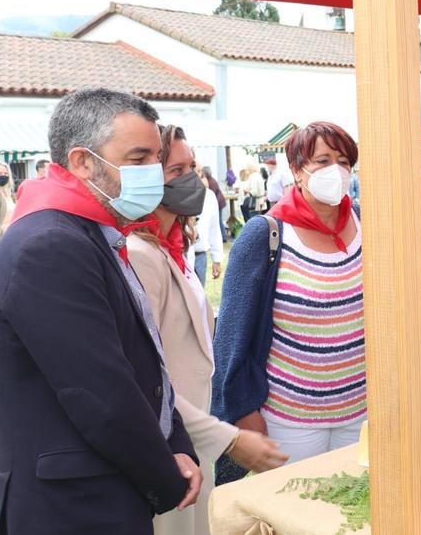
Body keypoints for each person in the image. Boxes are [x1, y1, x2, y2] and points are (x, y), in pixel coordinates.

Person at [0, 88, 199, 534]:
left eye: (156, 157)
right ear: (82, 161)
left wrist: (175, 441)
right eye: (137, 159)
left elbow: (141, 358)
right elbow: (99, 392)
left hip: (89, 490)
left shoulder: (86, 231)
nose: (154, 173)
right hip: (67, 507)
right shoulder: (50, 245)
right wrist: (164, 475)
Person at [128, 125, 287, 535]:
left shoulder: (172, 248)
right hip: (168, 438)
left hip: (191, 435)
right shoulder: (141, 255)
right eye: (175, 169)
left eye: (192, 167)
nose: (190, 179)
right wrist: (225, 436)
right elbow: (145, 377)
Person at [213, 121, 365, 468]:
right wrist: (241, 411)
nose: (336, 171)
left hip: (361, 411)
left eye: (343, 161)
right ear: (297, 170)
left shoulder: (365, 223)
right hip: (290, 419)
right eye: (323, 161)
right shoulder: (265, 234)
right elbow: (231, 336)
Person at [190, 160, 224, 286]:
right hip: (181, 255)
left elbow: (214, 229)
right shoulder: (176, 196)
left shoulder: (209, 197)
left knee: (199, 299)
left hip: (200, 256)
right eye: (194, 170)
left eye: (200, 171)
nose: (197, 174)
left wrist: (216, 258)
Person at [202, 165, 229, 243]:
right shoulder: (211, 180)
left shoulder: (211, 182)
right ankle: (223, 237)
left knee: (218, 221)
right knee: (219, 221)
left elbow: (212, 196)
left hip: (218, 203)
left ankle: (223, 237)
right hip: (219, 202)